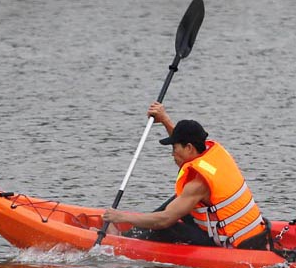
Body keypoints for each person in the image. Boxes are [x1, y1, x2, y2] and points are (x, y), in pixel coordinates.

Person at [101, 102, 267, 250]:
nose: (172, 153)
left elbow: (164, 220)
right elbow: (184, 140)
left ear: (188, 148)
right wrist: (165, 120)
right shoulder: (212, 153)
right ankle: (129, 235)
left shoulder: (198, 185)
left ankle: (122, 243)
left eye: (174, 148)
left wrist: (121, 216)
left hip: (235, 245)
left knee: (167, 225)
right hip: (254, 235)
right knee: (177, 201)